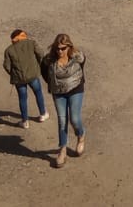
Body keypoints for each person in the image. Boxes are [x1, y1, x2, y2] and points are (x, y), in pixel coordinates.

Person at [42, 32, 87, 167]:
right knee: (62, 121)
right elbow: (44, 73)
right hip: (58, 92)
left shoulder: (77, 57)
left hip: (75, 89)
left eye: (63, 48)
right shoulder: (49, 60)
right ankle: (62, 150)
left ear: (69, 47)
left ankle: (81, 135)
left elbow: (81, 69)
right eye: (57, 48)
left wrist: (74, 81)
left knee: (75, 119)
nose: (60, 51)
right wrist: (54, 85)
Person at [3, 29, 47, 129]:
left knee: (22, 99)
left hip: (19, 79)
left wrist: (13, 73)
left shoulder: (9, 50)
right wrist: (38, 66)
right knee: (38, 93)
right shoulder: (31, 43)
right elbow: (41, 54)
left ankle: (25, 121)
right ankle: (43, 114)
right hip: (33, 75)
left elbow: (6, 65)